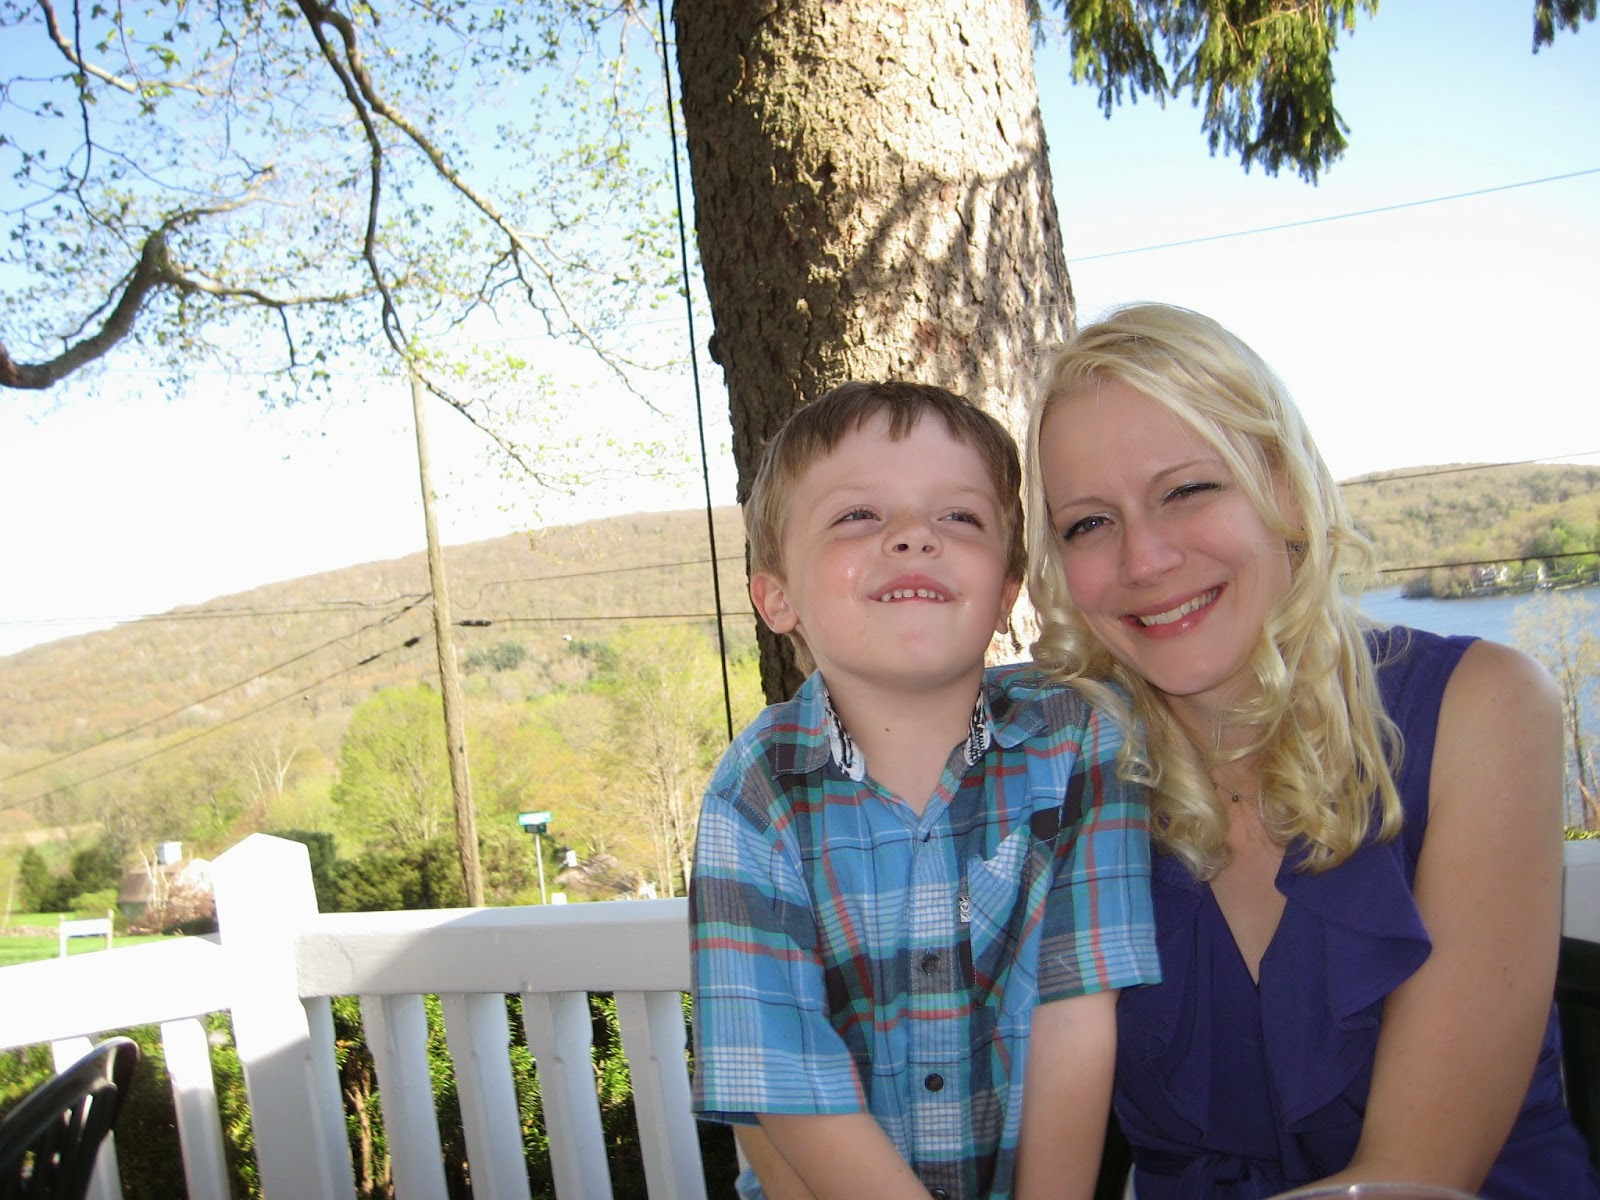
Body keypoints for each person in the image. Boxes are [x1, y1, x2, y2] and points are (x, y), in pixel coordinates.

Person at [1023, 301, 1600, 1200]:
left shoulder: (1483, 708)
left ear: (1285, 492)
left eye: (1187, 490)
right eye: (1089, 523)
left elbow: (1416, 1176)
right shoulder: (1057, 772)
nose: (1145, 559)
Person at [689, 381, 1161, 1200]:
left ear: (1007, 590)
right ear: (778, 596)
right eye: (857, 515)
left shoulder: (1081, 741)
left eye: (960, 517)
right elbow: (785, 1079)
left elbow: (1077, 1013)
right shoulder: (756, 793)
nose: (913, 535)